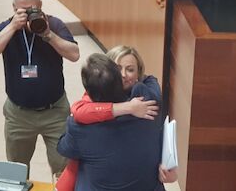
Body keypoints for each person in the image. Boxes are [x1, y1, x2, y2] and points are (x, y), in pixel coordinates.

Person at [0, 0, 80, 178]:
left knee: (63, 171)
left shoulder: (54, 25)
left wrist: (48, 35)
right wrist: (13, 27)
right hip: (18, 114)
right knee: (16, 172)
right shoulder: (7, 27)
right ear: (14, 8)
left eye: (32, 10)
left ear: (40, 5)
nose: (28, 16)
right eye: (22, 11)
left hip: (55, 112)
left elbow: (74, 54)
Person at [56, 46, 177, 190]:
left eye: (130, 69)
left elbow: (64, 148)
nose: (124, 75)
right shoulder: (151, 103)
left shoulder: (79, 125)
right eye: (118, 69)